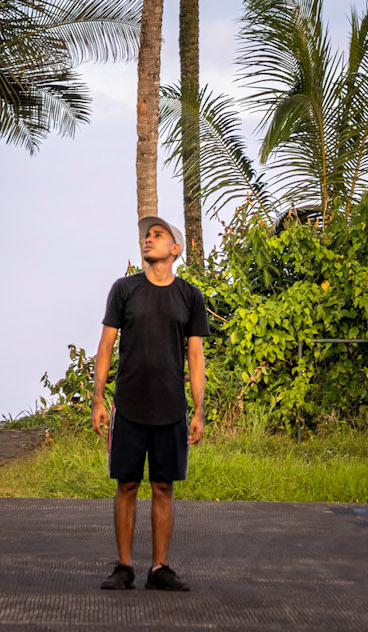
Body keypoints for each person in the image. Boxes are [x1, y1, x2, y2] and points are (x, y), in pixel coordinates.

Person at [91, 213, 208, 592]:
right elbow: (106, 347)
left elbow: (195, 357)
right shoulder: (124, 290)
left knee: (163, 486)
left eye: (157, 235)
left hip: (171, 408)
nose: (148, 239)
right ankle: (123, 566)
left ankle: (159, 569)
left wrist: (199, 411)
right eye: (146, 235)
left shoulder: (190, 296)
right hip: (129, 407)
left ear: (175, 250)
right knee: (126, 485)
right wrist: (99, 400)